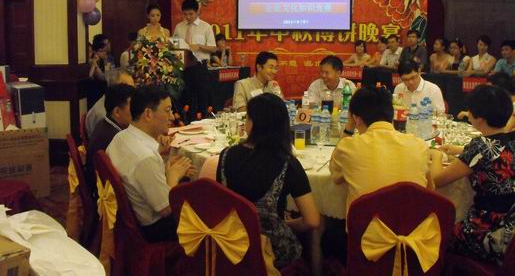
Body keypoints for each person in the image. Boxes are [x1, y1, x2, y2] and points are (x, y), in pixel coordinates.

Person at [325, 86, 431, 262]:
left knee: (328, 234)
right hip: (414, 242)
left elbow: (335, 177)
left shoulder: (349, 146)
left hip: (365, 243)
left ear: (356, 118)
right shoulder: (419, 145)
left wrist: (349, 128)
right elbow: (429, 189)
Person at [216, 93, 320, 268]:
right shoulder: (288, 163)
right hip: (271, 251)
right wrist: (286, 223)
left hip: (230, 242)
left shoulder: (226, 155)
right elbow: (312, 220)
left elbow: (221, 203)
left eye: (247, 118)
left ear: (253, 124)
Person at [430, 85, 514, 265]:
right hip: (510, 226)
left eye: (470, 110)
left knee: (435, 235)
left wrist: (436, 155)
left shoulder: (480, 146)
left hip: (489, 232)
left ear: (480, 119)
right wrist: (460, 150)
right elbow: (497, 151)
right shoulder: (510, 139)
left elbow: (436, 180)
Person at [106, 86, 195, 242]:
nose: (172, 116)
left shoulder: (121, 137)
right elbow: (166, 208)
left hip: (131, 218)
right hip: (155, 229)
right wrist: (173, 176)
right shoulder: (145, 159)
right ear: (148, 114)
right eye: (167, 110)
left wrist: (166, 169)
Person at [86, 83, 135, 199]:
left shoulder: (105, 124)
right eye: (133, 108)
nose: (137, 112)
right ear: (117, 112)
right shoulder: (112, 137)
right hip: (108, 196)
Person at [173, 0, 216, 118]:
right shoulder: (179, 27)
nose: (188, 17)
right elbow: (173, 46)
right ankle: (186, 120)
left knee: (202, 97)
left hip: (199, 66)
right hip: (183, 67)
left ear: (197, 12)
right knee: (186, 97)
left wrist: (199, 46)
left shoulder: (205, 27)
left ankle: (204, 119)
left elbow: (213, 48)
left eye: (191, 14)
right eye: (185, 14)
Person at [85, 69, 135, 139]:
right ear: (116, 88)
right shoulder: (102, 114)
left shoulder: (113, 103)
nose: (134, 92)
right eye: (129, 88)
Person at [88, 38, 109, 109]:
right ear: (95, 51)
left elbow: (104, 77)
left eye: (90, 51)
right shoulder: (90, 62)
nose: (104, 53)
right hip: (93, 91)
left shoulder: (100, 60)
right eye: (101, 51)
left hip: (100, 90)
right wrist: (94, 64)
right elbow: (91, 76)